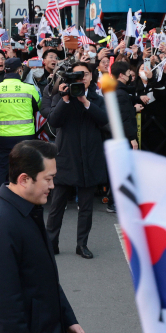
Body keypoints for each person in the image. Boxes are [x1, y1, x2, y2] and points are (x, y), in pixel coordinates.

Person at [0, 140, 86, 333]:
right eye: (48, 179)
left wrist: (67, 319)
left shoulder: (27, 211)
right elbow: (3, 302)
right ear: (24, 179)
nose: (53, 185)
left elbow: (44, 276)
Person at [46, 62, 108, 259]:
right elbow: (54, 122)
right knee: (57, 205)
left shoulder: (97, 98)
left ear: (92, 77)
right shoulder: (61, 96)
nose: (82, 78)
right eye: (78, 74)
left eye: (86, 74)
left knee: (86, 207)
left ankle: (82, 244)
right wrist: (66, 99)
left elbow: (105, 120)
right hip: (66, 156)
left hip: (90, 157)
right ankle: (51, 242)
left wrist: (85, 102)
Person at [0, 58, 40, 195]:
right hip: (26, 135)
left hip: (4, 136)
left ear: (5, 70)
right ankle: (28, 199)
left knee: (2, 168)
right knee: (27, 168)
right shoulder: (30, 88)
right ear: (19, 70)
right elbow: (38, 107)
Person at [110, 62, 139, 150]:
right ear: (121, 75)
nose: (129, 75)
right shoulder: (120, 93)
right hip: (125, 138)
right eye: (128, 73)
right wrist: (132, 138)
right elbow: (124, 118)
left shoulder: (118, 90)